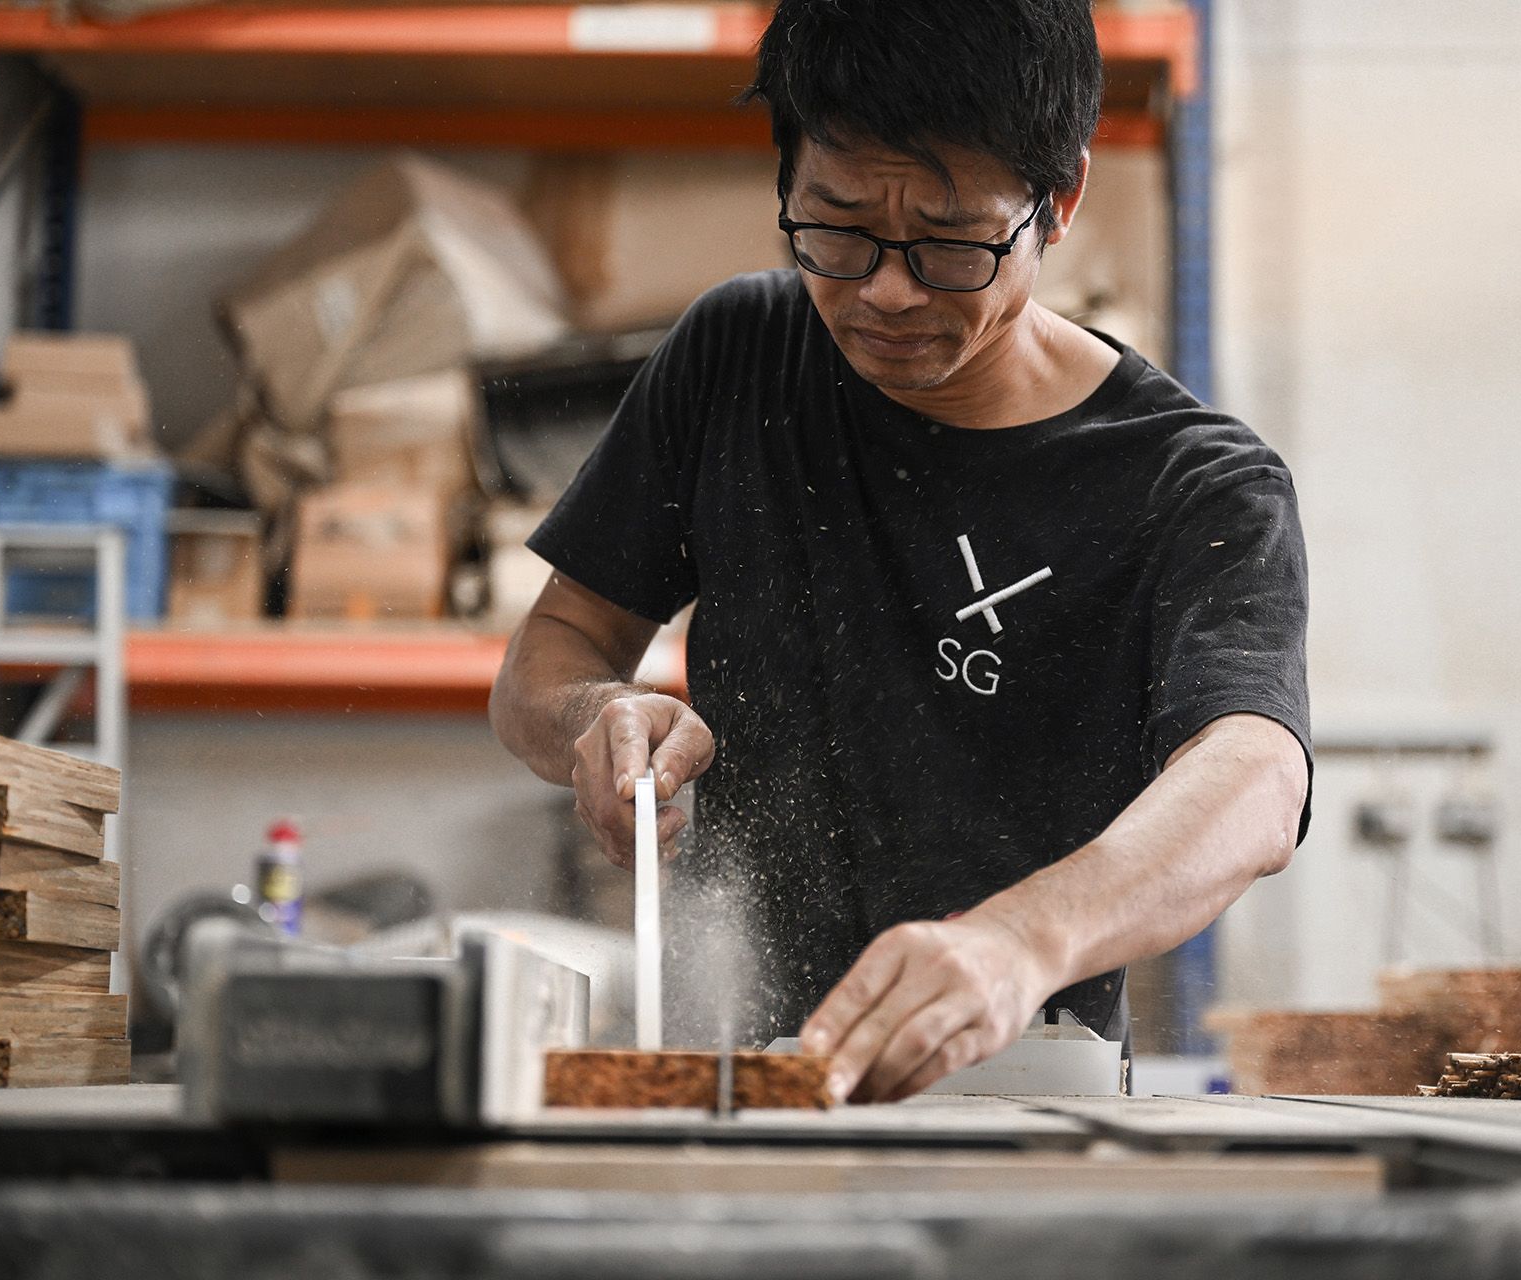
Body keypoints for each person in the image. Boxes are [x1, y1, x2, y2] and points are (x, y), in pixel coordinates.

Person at [490, 0, 1311, 1104]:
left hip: (1022, 1087)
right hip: (736, 1079)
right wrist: (595, 716)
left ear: (1058, 201)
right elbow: (551, 655)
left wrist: (1016, 945)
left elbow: (1253, 776)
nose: (884, 288)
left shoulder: (1193, 485)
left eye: (947, 241)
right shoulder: (738, 357)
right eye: (835, 227)